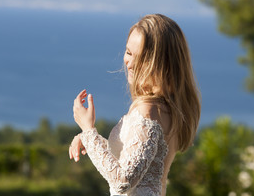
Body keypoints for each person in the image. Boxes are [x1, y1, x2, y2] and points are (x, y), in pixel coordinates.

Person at [69, 14, 201, 196]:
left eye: (141, 57)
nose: (129, 63)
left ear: (162, 64)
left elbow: (123, 181)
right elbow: (134, 159)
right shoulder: (168, 108)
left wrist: (88, 129)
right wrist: (90, 140)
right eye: (128, 52)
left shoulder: (149, 111)